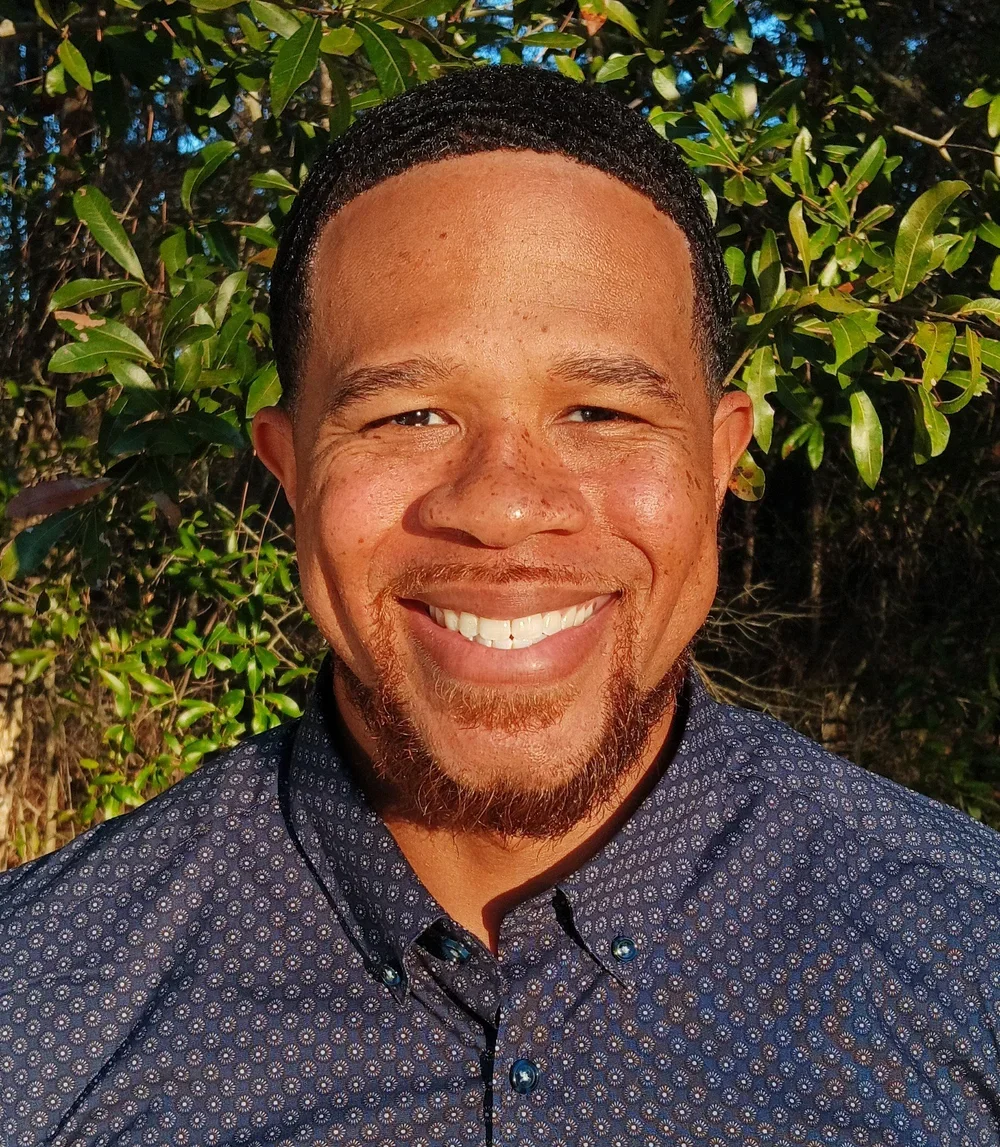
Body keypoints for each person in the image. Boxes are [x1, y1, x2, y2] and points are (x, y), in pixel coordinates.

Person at [3, 64, 1000, 1147]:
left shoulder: (964, 950)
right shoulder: (42, 1006)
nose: (503, 507)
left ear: (718, 465)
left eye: (600, 411)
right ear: (291, 473)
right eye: (409, 416)